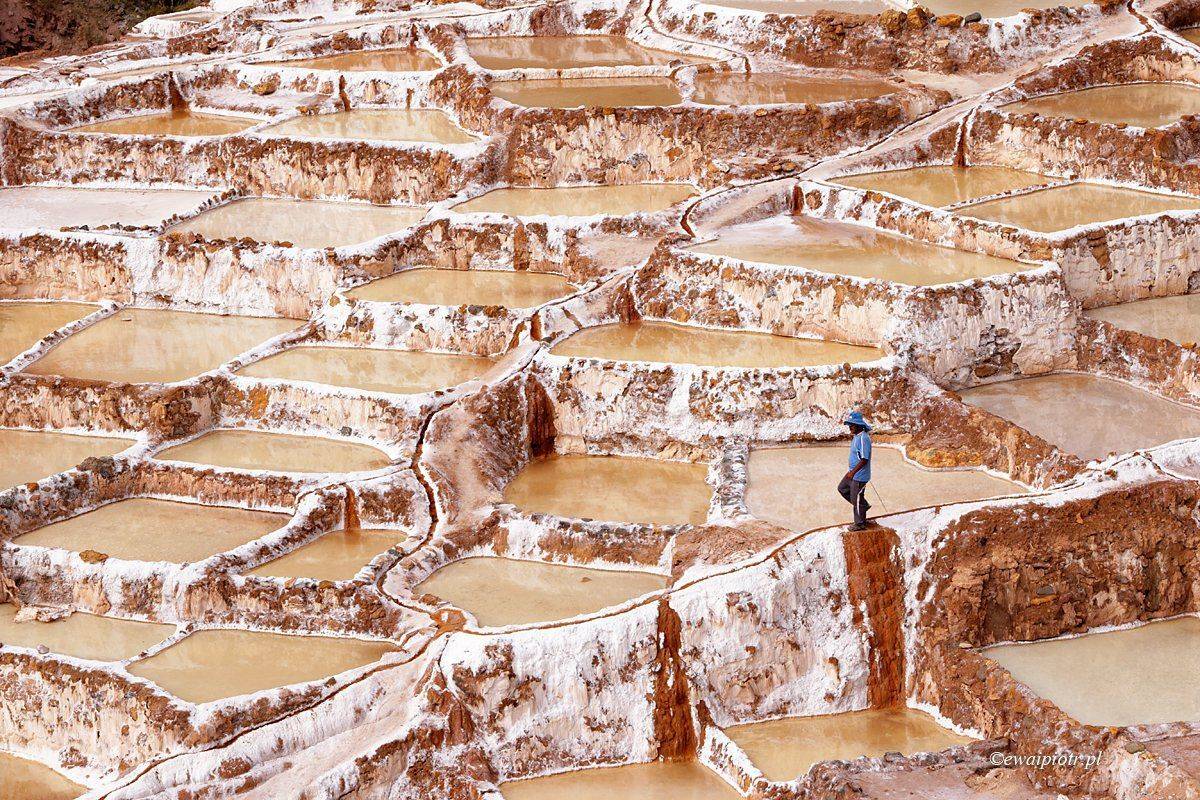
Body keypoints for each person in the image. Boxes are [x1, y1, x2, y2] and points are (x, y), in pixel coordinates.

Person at [838, 410, 873, 531]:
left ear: (858, 425)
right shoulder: (856, 437)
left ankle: (859, 524)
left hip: (859, 476)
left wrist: (853, 473)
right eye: (849, 425)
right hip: (853, 473)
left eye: (852, 425)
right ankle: (863, 505)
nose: (850, 428)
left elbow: (864, 459)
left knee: (856, 498)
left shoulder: (863, 438)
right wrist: (850, 471)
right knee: (842, 488)